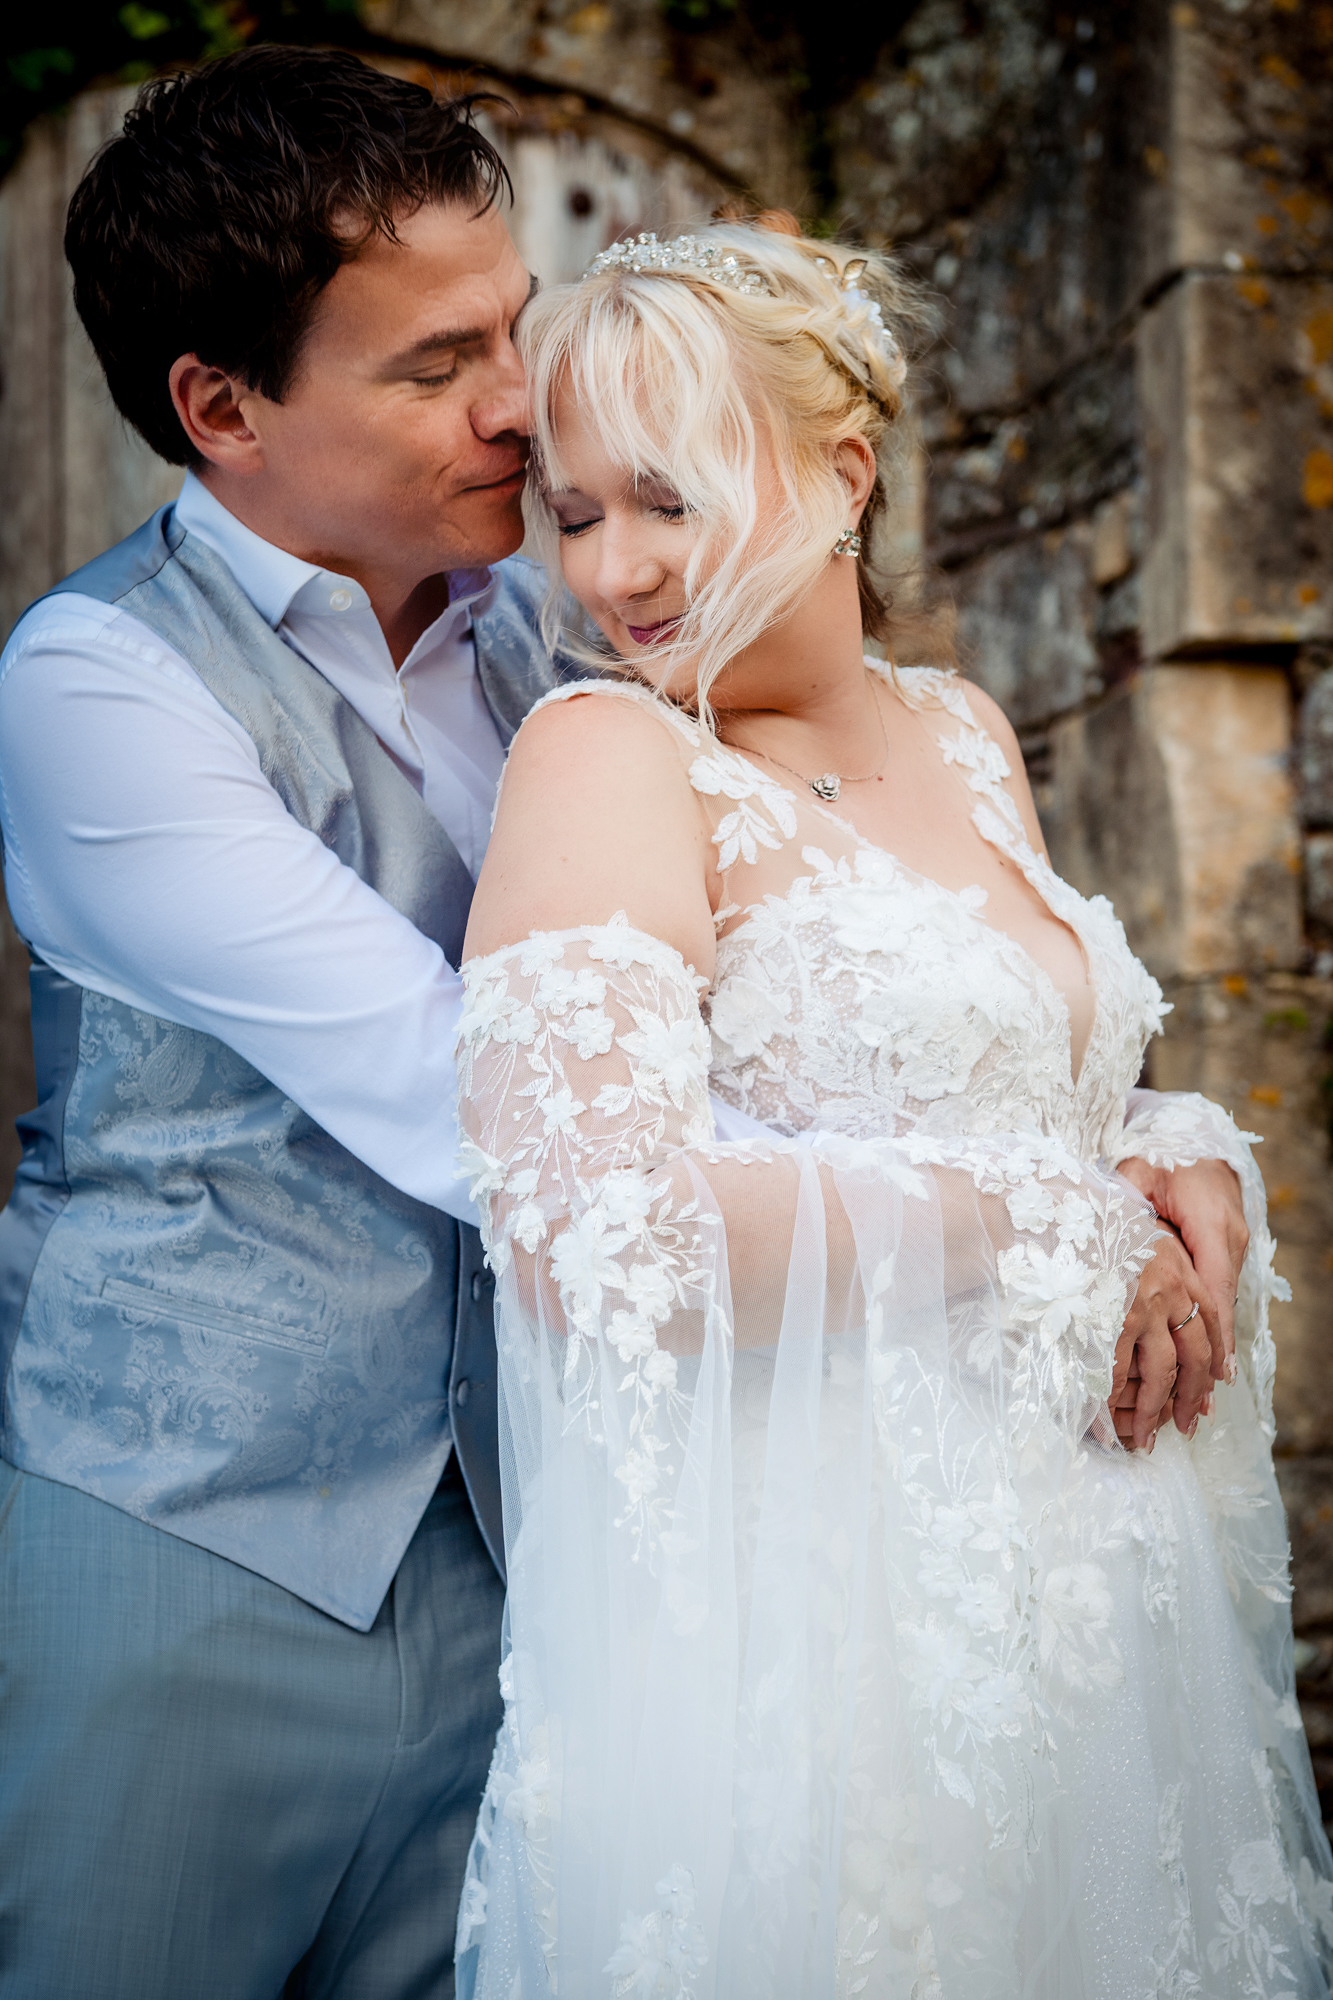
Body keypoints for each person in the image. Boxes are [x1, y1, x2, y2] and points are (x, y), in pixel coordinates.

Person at [451, 219, 1333, 1998]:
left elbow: (1034, 1080)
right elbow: (591, 1237)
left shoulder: (964, 729)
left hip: (1092, 1601)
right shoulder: (609, 757)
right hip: (834, 1627)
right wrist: (1055, 1225)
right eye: (572, 512)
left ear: (842, 470)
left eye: (669, 498)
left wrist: (1169, 1159)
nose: (614, 569)